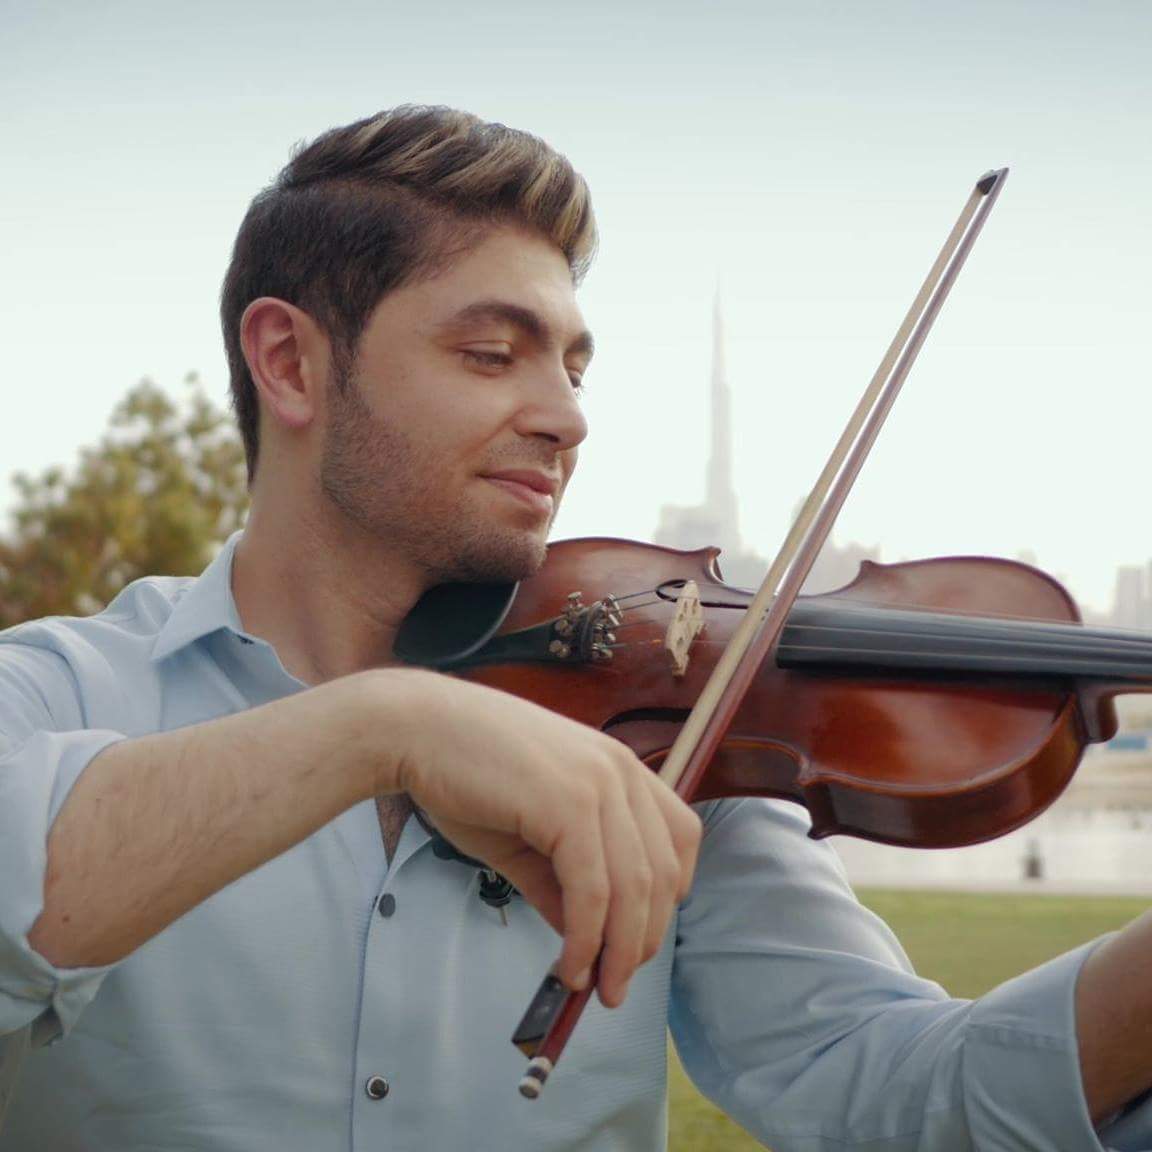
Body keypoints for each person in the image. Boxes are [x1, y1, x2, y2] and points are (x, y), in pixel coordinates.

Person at [0, 105, 1150, 1152]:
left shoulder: (669, 735)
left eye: (575, 368)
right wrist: (383, 729)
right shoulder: (53, 694)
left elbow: (906, 1099)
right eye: (492, 354)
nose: (566, 417)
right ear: (291, 363)